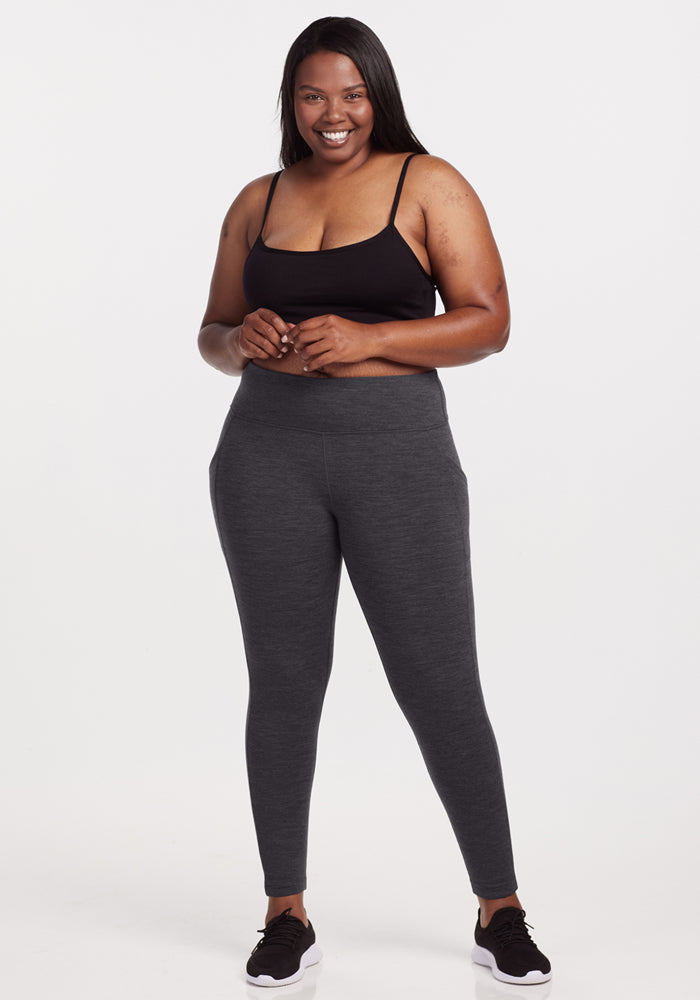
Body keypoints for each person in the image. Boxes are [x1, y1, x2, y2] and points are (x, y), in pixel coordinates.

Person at [198, 15, 552, 989]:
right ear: (291, 102)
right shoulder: (256, 198)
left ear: (377, 94)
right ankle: (285, 910)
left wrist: (368, 340)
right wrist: (245, 339)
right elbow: (210, 332)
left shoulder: (426, 182)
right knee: (283, 686)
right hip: (263, 453)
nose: (333, 114)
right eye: (313, 95)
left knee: (438, 682)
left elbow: (489, 322)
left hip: (395, 452)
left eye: (350, 94)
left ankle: (499, 906)